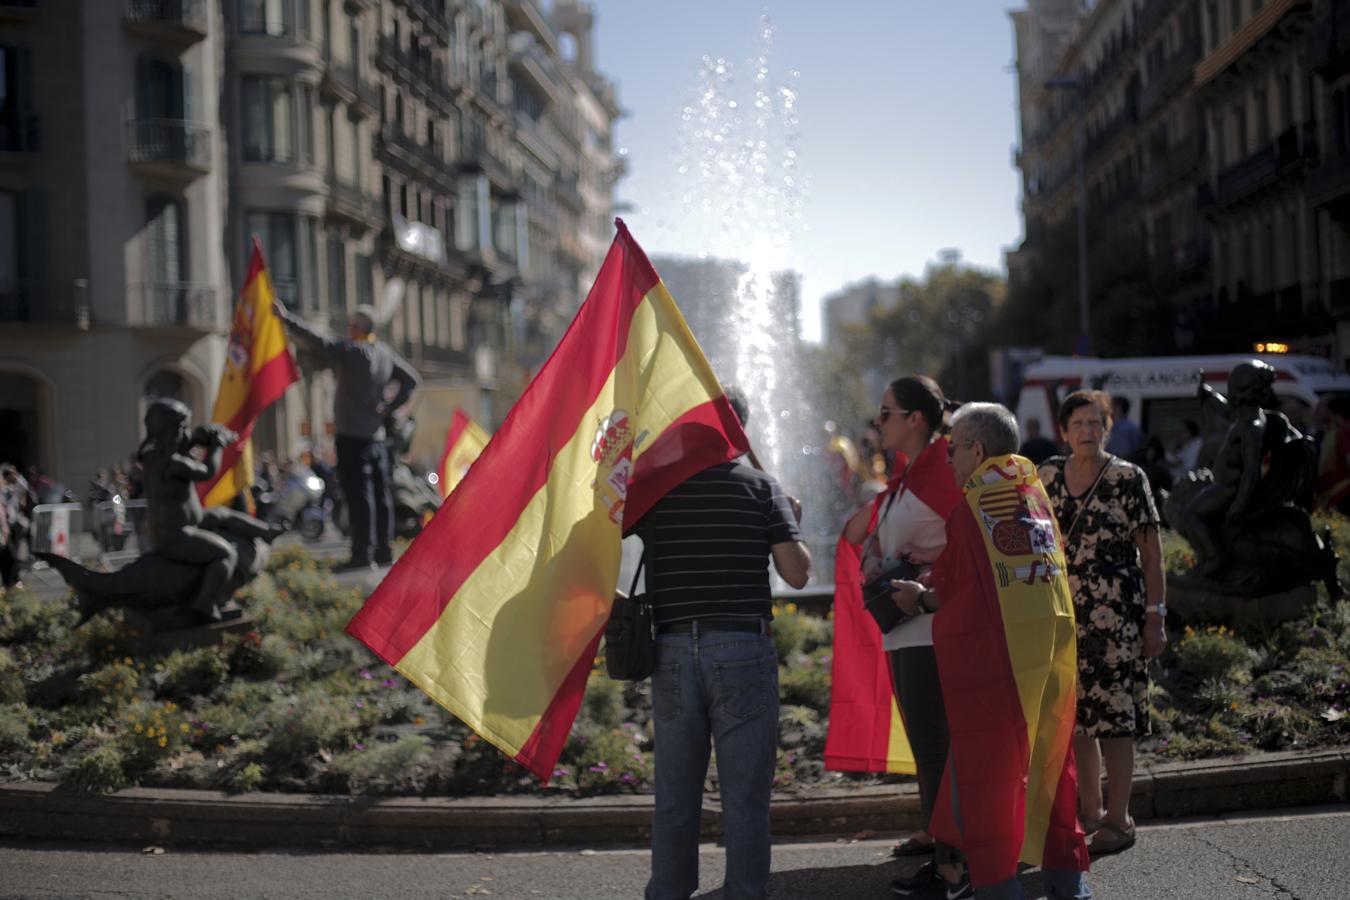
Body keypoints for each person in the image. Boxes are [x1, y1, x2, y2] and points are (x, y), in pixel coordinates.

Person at [890, 403, 1091, 899]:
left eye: (953, 449)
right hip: (1048, 659)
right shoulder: (1032, 494)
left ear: (976, 449)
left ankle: (1000, 889)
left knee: (989, 784)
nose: (949, 460)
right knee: (1052, 776)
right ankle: (1071, 886)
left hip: (996, 665)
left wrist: (919, 598)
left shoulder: (972, 506)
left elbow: (955, 589)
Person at [633, 387, 811, 900]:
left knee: (675, 796)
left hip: (670, 652)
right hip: (741, 649)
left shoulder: (658, 492)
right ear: (738, 430)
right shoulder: (761, 487)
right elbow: (797, 575)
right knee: (746, 798)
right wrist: (788, 517)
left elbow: (605, 533)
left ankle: (668, 892)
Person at [840, 376, 965, 896]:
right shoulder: (908, 477)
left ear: (916, 420)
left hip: (931, 629)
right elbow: (856, 533)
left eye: (886, 413)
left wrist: (929, 583)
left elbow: (970, 548)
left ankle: (951, 867)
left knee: (937, 746)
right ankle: (937, 838)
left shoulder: (944, 472)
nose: (877, 422)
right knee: (928, 743)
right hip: (906, 629)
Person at [1038, 390, 1166, 856]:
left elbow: (1152, 554)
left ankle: (1119, 817)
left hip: (1118, 617)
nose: (1088, 431)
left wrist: (1156, 616)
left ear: (1107, 428)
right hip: (1064, 616)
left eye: (1096, 423)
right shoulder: (1047, 475)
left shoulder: (1129, 479)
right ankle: (1089, 812)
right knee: (1075, 719)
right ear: (1063, 431)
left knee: (1116, 719)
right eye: (1079, 424)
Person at [275, 302, 420, 570]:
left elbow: (319, 341)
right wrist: (387, 409)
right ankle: (383, 551)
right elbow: (412, 380)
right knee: (381, 496)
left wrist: (287, 319)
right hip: (376, 437)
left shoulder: (352, 351)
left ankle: (362, 554)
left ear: (356, 328)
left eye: (351, 325)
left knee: (358, 495)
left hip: (352, 436)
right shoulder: (384, 353)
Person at [137, 399, 282, 620]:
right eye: (183, 428)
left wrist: (200, 438)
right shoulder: (174, 463)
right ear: (172, 430)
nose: (186, 433)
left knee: (222, 514)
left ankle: (265, 531)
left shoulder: (152, 457)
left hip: (185, 522)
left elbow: (181, 450)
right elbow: (207, 471)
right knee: (225, 553)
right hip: (177, 535)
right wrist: (217, 446)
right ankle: (205, 603)